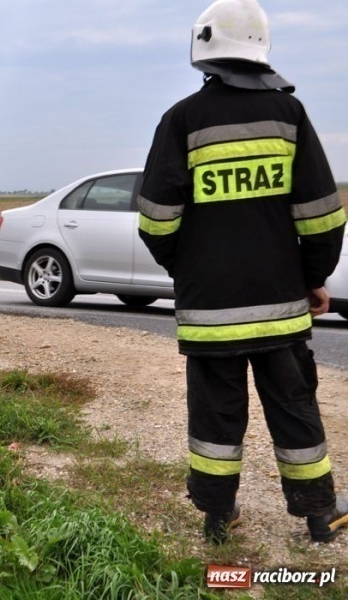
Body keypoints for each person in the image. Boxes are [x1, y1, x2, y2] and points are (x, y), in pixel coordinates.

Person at [137, 0, 347, 544]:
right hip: (281, 306)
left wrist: (186, 268)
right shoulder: (289, 117)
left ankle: (217, 516)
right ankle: (320, 513)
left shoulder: (181, 120)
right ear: (261, 47)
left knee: (215, 419)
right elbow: (322, 213)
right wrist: (312, 275)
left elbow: (156, 220)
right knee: (294, 408)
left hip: (210, 311)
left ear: (204, 49)